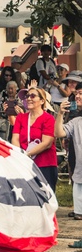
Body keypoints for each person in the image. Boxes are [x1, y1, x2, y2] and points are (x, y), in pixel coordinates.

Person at [12, 87, 58, 192]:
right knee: (26, 194)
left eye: (32, 96)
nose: (28, 98)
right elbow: (15, 138)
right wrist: (20, 155)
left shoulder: (48, 118)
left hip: (44, 163)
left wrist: (27, 154)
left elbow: (47, 143)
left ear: (42, 101)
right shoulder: (21, 118)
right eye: (27, 96)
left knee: (46, 196)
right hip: (25, 163)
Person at [54, 94, 82, 225]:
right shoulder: (76, 122)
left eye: (81, 93)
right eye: (77, 94)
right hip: (80, 173)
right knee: (79, 217)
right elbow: (58, 133)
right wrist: (60, 113)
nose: (77, 96)